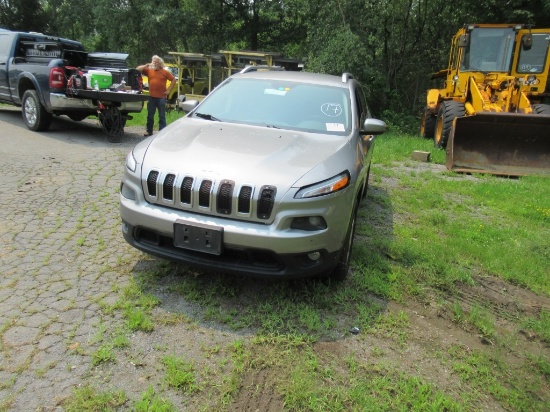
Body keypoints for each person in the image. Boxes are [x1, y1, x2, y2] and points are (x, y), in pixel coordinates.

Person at [136, 55, 176, 136]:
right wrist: (146, 65)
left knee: (162, 115)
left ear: (160, 63)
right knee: (150, 115)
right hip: (151, 97)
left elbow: (173, 80)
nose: (154, 63)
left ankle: (162, 132)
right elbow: (137, 69)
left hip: (161, 97)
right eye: (153, 61)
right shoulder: (149, 70)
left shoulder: (165, 72)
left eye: (156, 62)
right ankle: (149, 131)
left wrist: (168, 90)